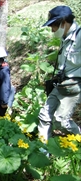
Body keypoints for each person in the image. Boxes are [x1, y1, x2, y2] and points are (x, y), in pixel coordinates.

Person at [38, 5, 81, 144]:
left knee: (60, 121)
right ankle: (44, 151)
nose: (52, 30)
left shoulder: (80, 36)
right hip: (62, 83)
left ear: (63, 23)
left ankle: (78, 139)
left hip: (74, 84)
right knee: (44, 115)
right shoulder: (65, 36)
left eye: (53, 26)